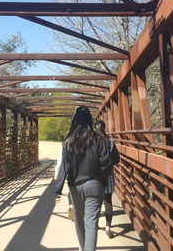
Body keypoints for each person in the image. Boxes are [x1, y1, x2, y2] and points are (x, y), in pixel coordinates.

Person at [54, 106, 110, 251]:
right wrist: (102, 181)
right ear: (90, 120)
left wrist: (58, 189)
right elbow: (106, 162)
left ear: (74, 121)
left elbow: (65, 167)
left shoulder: (67, 142)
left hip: (75, 186)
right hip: (94, 184)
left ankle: (83, 247)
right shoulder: (98, 139)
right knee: (91, 222)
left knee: (79, 221)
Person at [92, 120, 120, 238]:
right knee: (108, 201)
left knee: (94, 202)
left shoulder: (91, 142)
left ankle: (95, 224)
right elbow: (117, 160)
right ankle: (108, 227)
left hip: (94, 177)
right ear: (104, 128)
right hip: (108, 175)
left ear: (94, 129)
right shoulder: (110, 142)